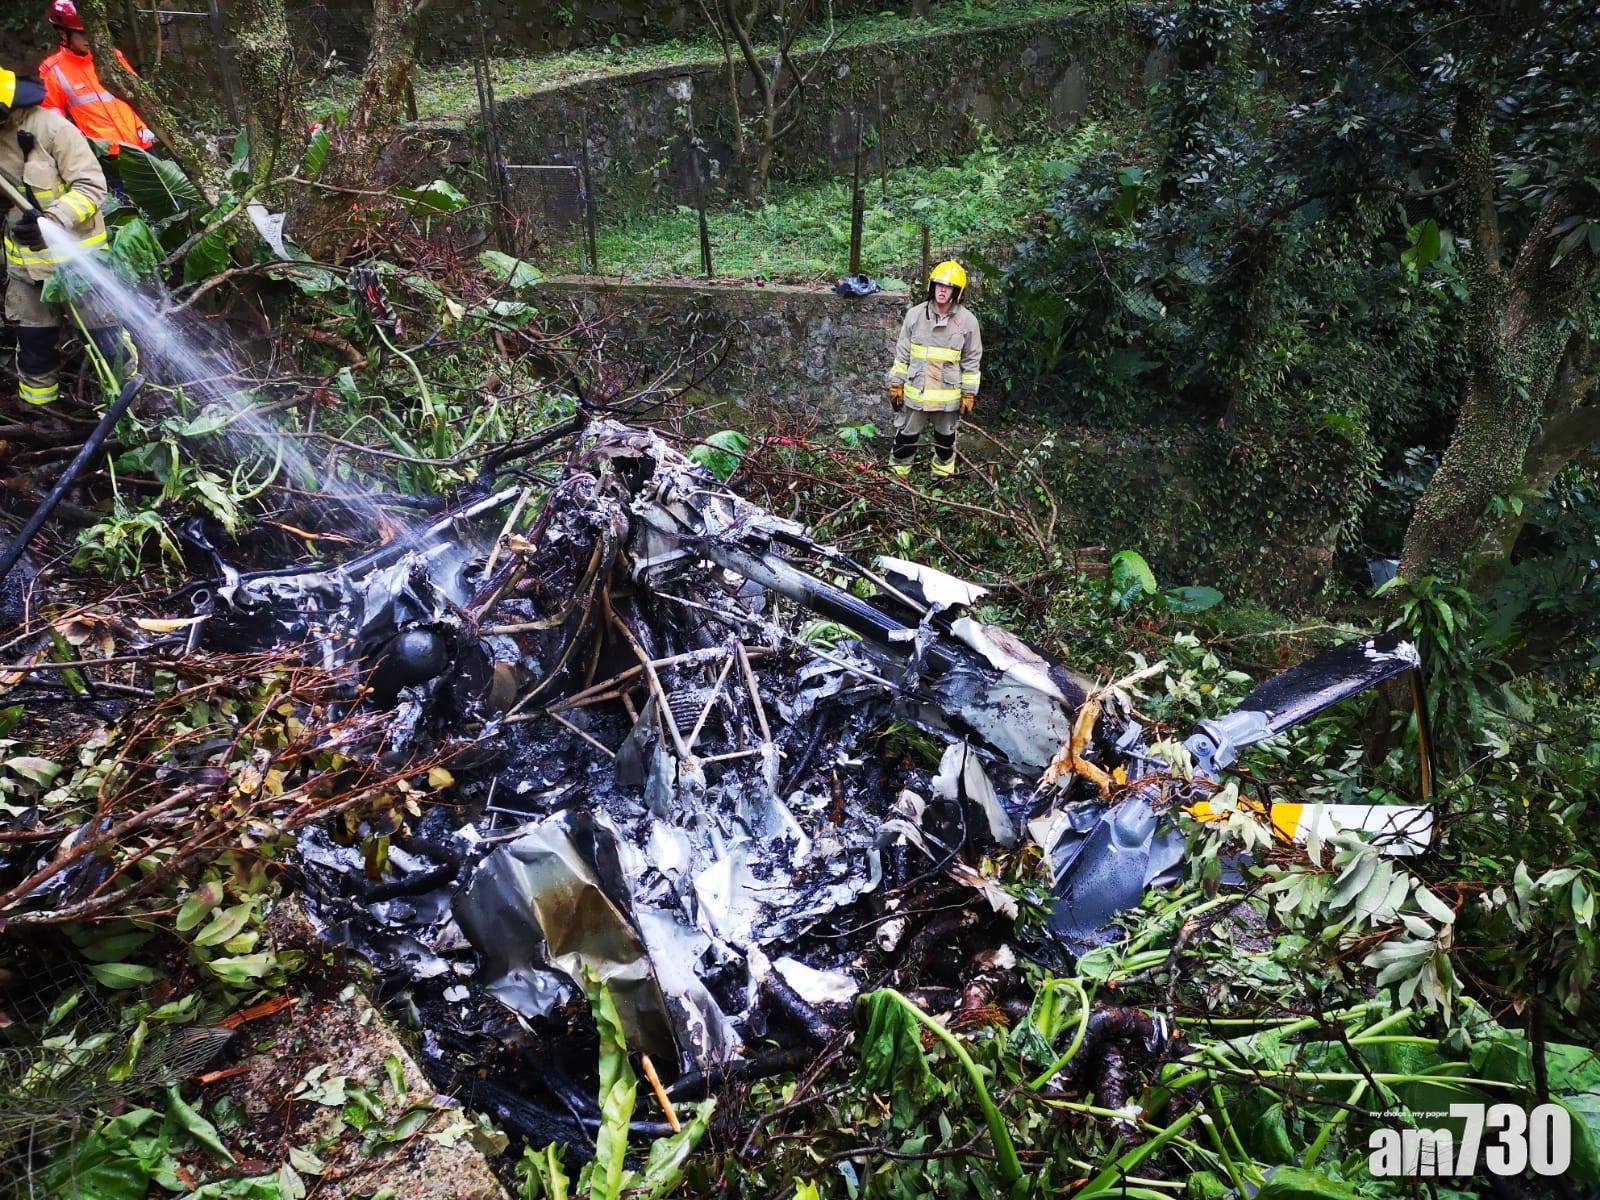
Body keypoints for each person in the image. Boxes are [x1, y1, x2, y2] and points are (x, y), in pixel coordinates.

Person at [2, 64, 129, 407]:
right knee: (34, 350)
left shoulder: (53, 130)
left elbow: (91, 187)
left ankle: (132, 408)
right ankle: (40, 414)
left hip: (79, 262)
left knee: (109, 342)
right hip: (26, 270)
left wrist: (53, 220)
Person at [885, 259, 982, 483]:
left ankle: (941, 480)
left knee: (945, 442)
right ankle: (897, 482)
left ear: (956, 292)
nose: (942, 290)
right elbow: (902, 354)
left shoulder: (968, 322)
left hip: (947, 396)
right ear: (932, 286)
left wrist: (968, 393)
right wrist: (896, 384)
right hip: (916, 392)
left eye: (947, 287)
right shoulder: (915, 315)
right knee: (905, 439)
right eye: (939, 285)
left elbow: (972, 360)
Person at [39, 0, 156, 165]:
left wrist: (142, 125)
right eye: (82, 33)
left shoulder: (113, 56)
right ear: (64, 34)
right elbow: (54, 121)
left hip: (142, 143)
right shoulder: (53, 71)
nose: (89, 38)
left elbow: (137, 94)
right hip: (106, 155)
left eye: (91, 31)